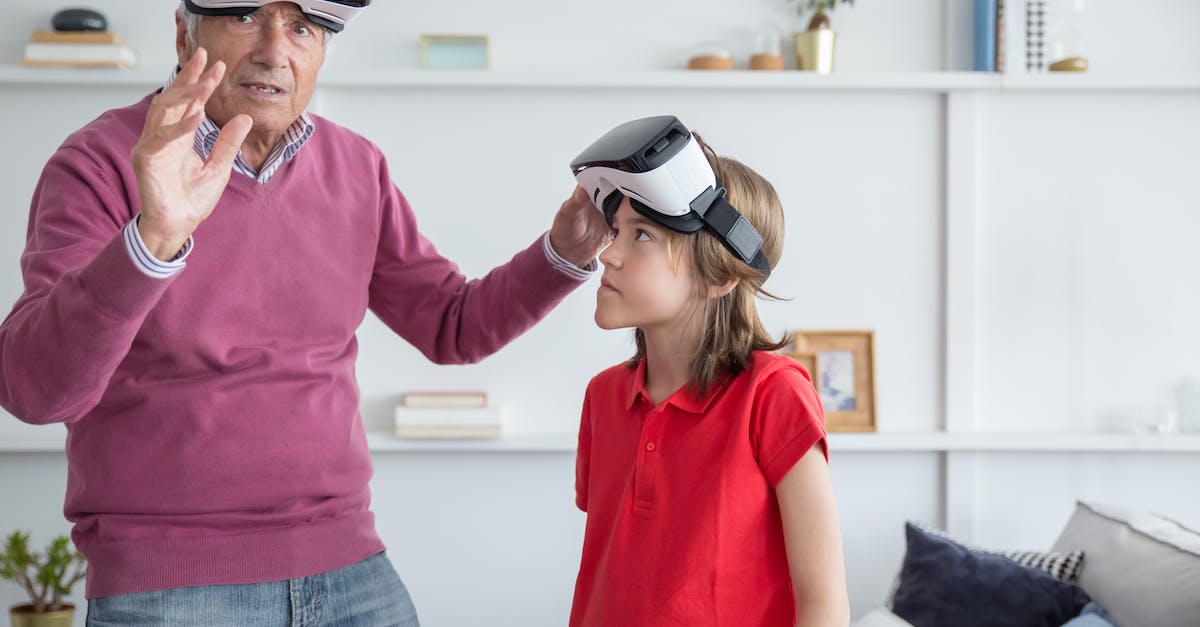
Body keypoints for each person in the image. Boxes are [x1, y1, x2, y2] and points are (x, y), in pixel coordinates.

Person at [0, 1, 608, 624]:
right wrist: (152, 239)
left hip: (352, 572)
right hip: (172, 584)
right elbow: (38, 392)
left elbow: (451, 326)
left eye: (302, 27)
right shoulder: (100, 163)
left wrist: (564, 253)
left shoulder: (357, 165)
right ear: (184, 35)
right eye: (244, 17)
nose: (274, 50)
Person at [568, 117, 850, 626]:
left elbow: (824, 602)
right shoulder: (603, 398)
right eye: (615, 231)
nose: (607, 254)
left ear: (720, 274)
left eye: (643, 235)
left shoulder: (773, 394)